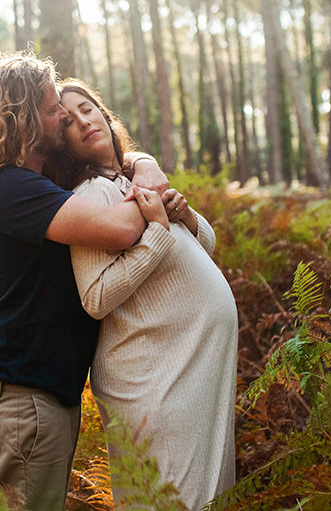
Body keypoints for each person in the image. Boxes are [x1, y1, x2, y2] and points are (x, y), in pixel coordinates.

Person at [0, 52, 170, 510]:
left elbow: (110, 157)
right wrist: (149, 184)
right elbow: (123, 228)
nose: (65, 115)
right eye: (53, 109)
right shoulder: (9, 188)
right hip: (24, 401)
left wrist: (141, 161)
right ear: (22, 119)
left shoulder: (35, 181)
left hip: (41, 396)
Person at [46, 78, 238, 509]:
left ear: (104, 113)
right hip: (156, 377)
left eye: (87, 108)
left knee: (206, 495)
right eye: (68, 120)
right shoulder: (91, 194)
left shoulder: (131, 176)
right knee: (177, 498)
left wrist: (183, 213)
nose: (82, 121)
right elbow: (95, 296)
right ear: (63, 145)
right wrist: (157, 232)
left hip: (192, 368)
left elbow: (201, 249)